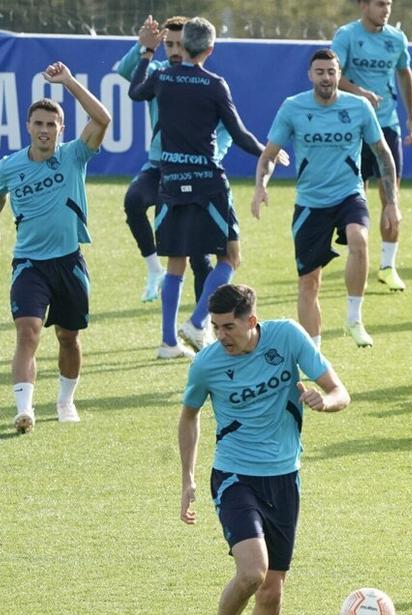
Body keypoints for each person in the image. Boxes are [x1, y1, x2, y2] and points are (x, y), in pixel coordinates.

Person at [179, 284, 349, 615]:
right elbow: (189, 416)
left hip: (285, 478)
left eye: (228, 328)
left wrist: (327, 402)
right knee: (253, 572)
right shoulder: (206, 364)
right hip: (234, 475)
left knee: (272, 590)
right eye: (215, 327)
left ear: (251, 321)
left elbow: (340, 390)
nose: (221, 336)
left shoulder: (287, 336)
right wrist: (187, 478)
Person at [130, 17, 281, 360]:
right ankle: (197, 322)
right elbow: (239, 133)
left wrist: (146, 53)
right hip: (206, 182)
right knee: (230, 255)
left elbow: (134, 91)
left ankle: (168, 342)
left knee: (176, 262)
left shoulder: (162, 77)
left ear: (182, 44)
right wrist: (269, 151)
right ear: (210, 49)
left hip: (170, 179)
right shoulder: (214, 85)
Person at [0, 62, 110, 433]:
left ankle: (65, 400)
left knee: (68, 337)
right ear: (28, 127)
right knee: (28, 332)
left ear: (61, 129)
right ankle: (25, 410)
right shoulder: (10, 165)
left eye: (50, 124)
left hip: (69, 262)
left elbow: (102, 119)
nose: (44, 129)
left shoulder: (74, 155)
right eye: (38, 123)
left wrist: (69, 81)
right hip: (29, 264)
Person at [252, 49, 401, 349]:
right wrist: (260, 186)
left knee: (358, 239)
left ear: (338, 74)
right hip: (310, 202)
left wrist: (392, 202)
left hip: (349, 194)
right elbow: (269, 155)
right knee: (309, 281)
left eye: (331, 72)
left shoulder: (358, 107)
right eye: (320, 72)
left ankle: (354, 319)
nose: (326, 78)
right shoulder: (293, 107)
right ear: (310, 75)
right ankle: (314, 351)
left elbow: (383, 153)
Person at [114, 14, 230, 304]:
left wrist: (214, 155)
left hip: (197, 172)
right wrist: (143, 46)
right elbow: (125, 72)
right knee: (134, 200)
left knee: (199, 256)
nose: (176, 51)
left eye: (180, 43)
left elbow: (228, 129)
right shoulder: (159, 73)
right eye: (169, 44)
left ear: (192, 44)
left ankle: (203, 324)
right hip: (159, 167)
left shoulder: (208, 82)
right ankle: (155, 270)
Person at [333, 0, 412, 292]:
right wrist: (360, 93)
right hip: (354, 126)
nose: (386, 9)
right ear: (363, 5)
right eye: (380, 4)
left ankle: (388, 266)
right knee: (358, 196)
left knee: (390, 194)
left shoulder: (396, 39)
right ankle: (359, 258)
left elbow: (405, 72)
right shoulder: (346, 36)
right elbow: (334, 74)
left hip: (387, 125)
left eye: (390, 4)